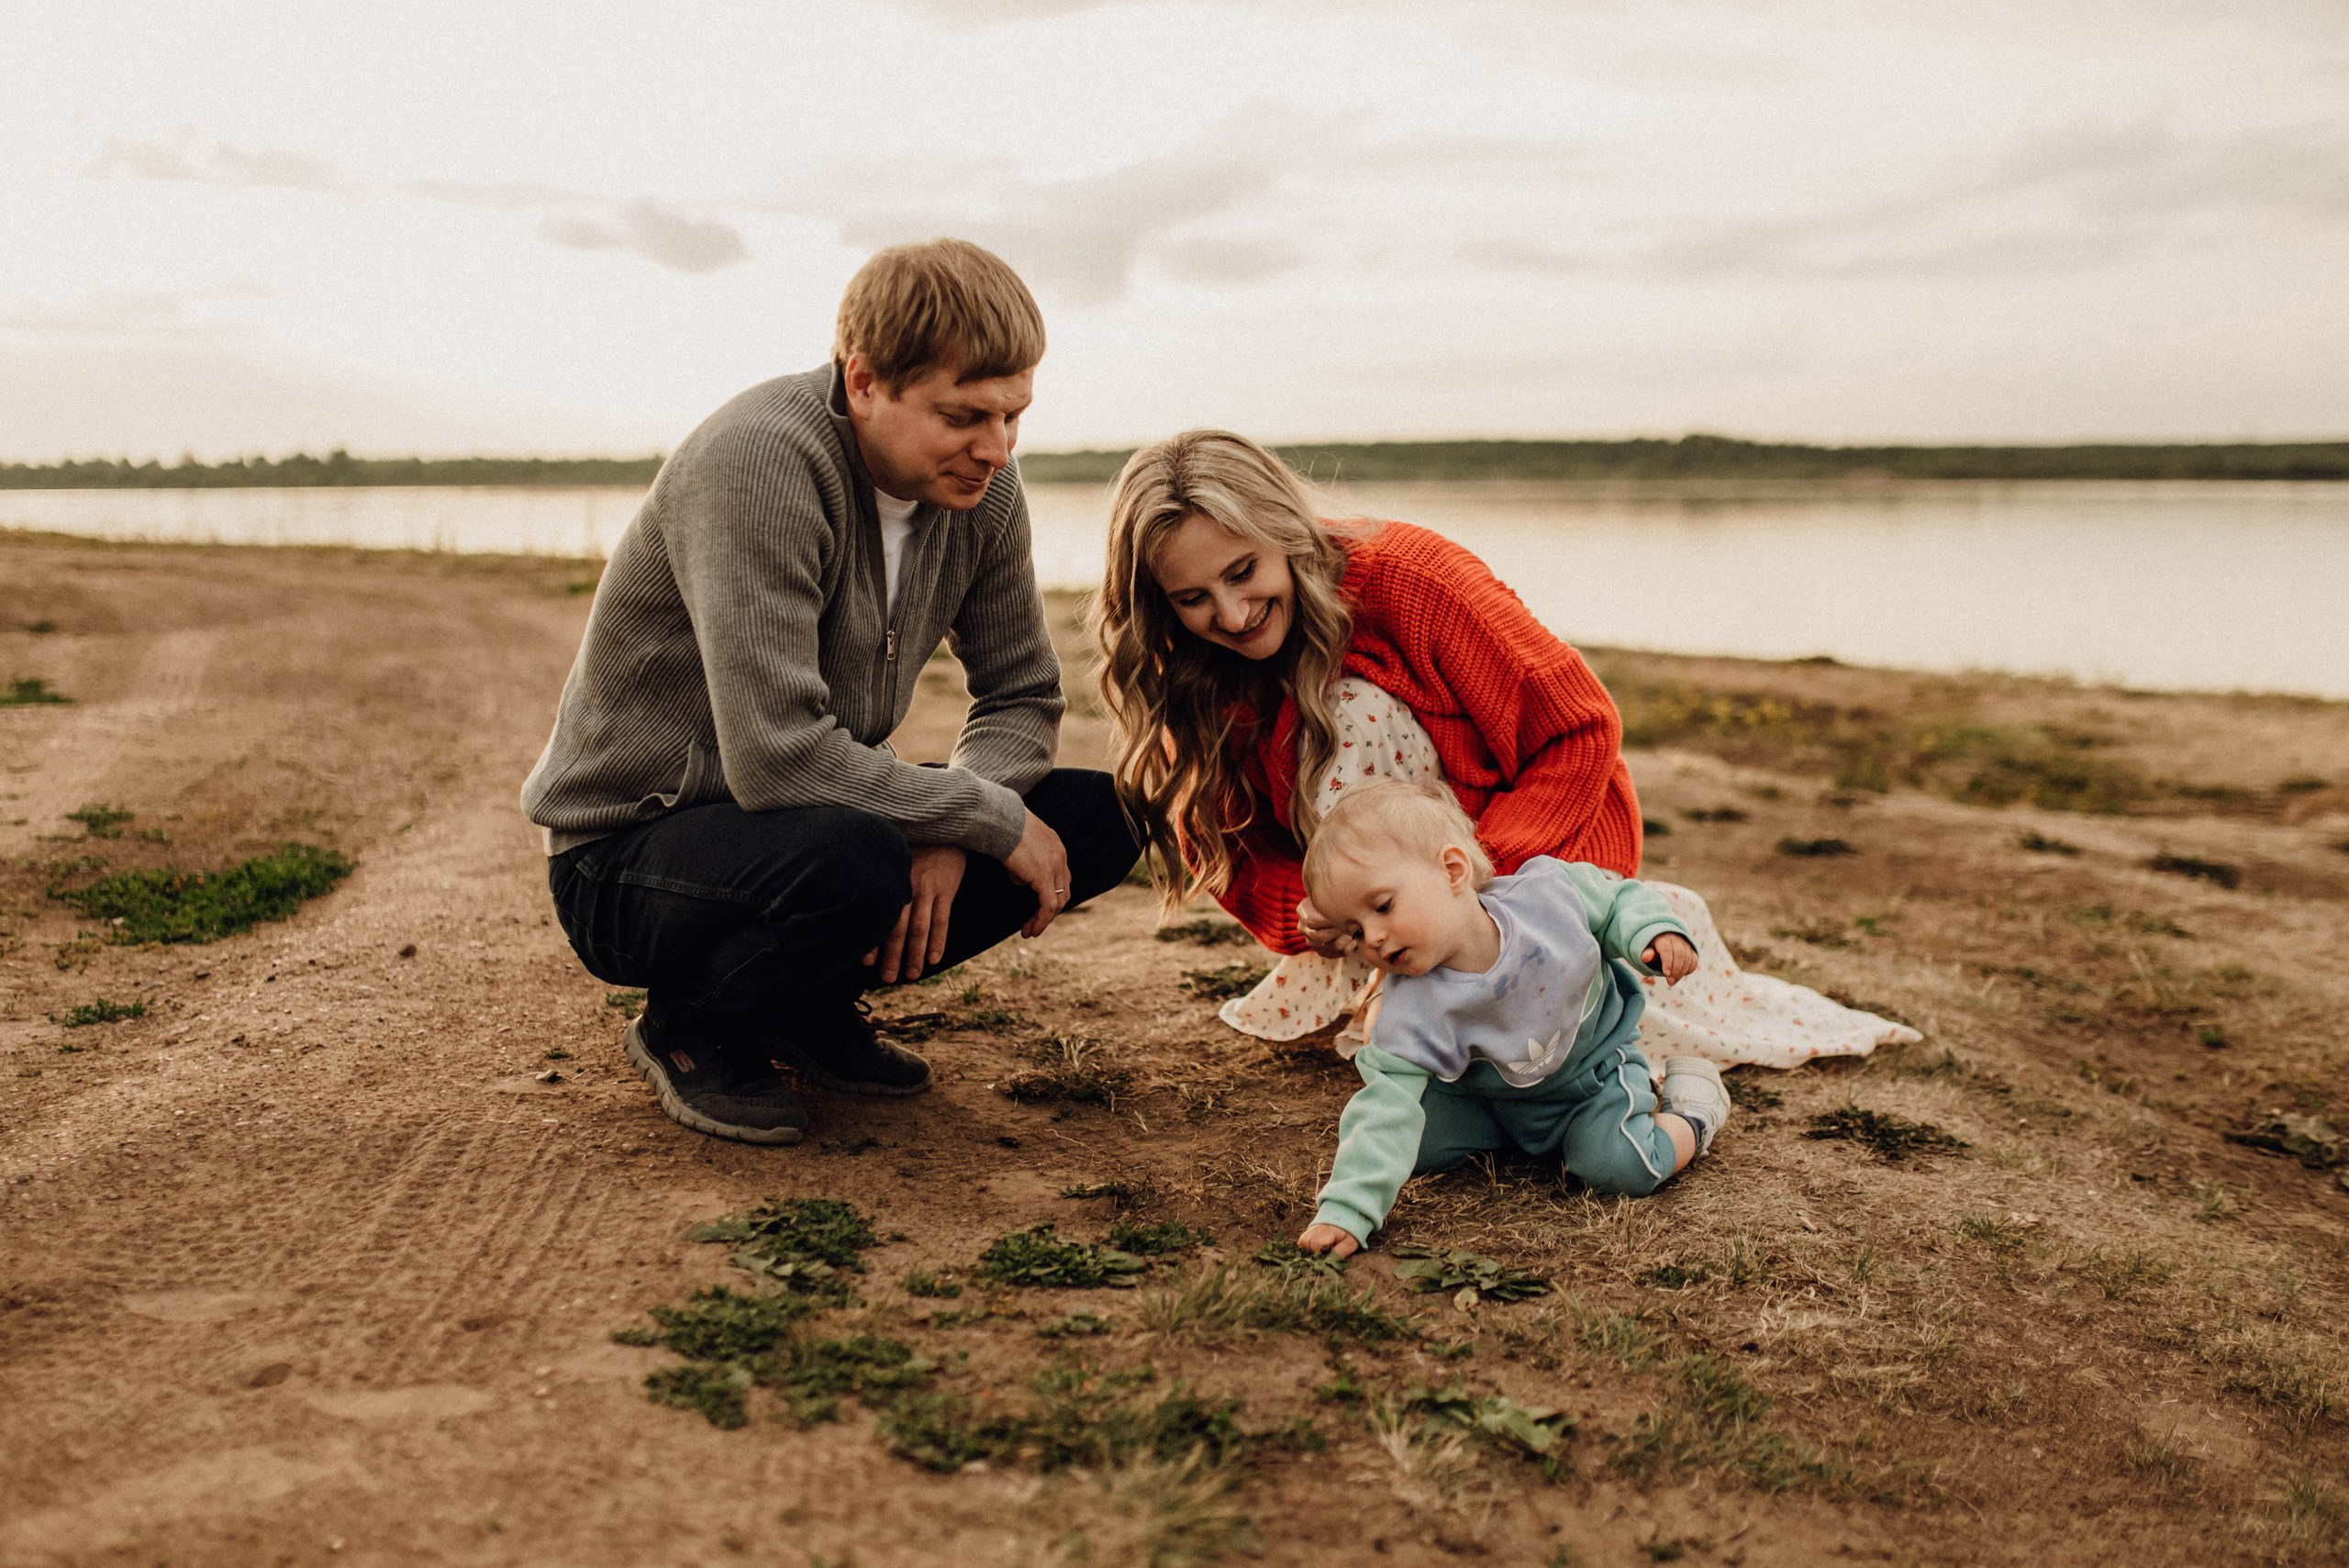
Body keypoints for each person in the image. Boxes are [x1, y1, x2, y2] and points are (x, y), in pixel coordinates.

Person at [523, 239, 1140, 1146]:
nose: (996, 448)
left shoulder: (985, 497)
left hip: (801, 824)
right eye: (964, 415)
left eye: (1014, 414)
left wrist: (965, 816)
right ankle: (691, 1026)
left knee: (1097, 816)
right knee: (850, 855)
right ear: (863, 381)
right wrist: (971, 814)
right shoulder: (758, 463)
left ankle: (798, 1003)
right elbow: (776, 757)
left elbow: (1019, 695)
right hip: (627, 856)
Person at [1090, 427, 1920, 1072]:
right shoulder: (1192, 668)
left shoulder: (1411, 579)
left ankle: (1506, 972)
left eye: (1244, 572)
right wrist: (1306, 914)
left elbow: (1580, 728)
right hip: (1384, 913)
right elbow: (1235, 849)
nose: (1232, 615)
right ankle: (1413, 982)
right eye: (1194, 598)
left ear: (1285, 532)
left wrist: (1483, 875)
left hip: (1527, 865)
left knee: (1349, 708)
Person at [1285, 782, 1731, 1255]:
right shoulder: (1410, 1009)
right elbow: (1384, 1106)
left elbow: (1618, 899)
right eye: (1354, 930)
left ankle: (1694, 1111)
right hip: (1487, 1101)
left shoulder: (1547, 899)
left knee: (1621, 1167)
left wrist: (1650, 933)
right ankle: (1514, 1139)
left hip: (1590, 1081)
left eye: (1382, 906)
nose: (1372, 937)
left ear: (1452, 870)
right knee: (1408, 1143)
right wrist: (1348, 1211)